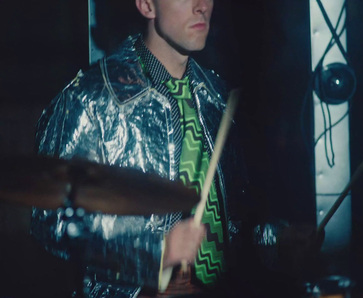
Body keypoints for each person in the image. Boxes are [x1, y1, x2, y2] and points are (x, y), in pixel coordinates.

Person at [31, 0, 324, 297]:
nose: (201, 7)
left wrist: (279, 239)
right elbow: (52, 224)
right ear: (147, 5)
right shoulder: (91, 99)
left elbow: (233, 221)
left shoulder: (217, 97)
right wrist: (156, 254)